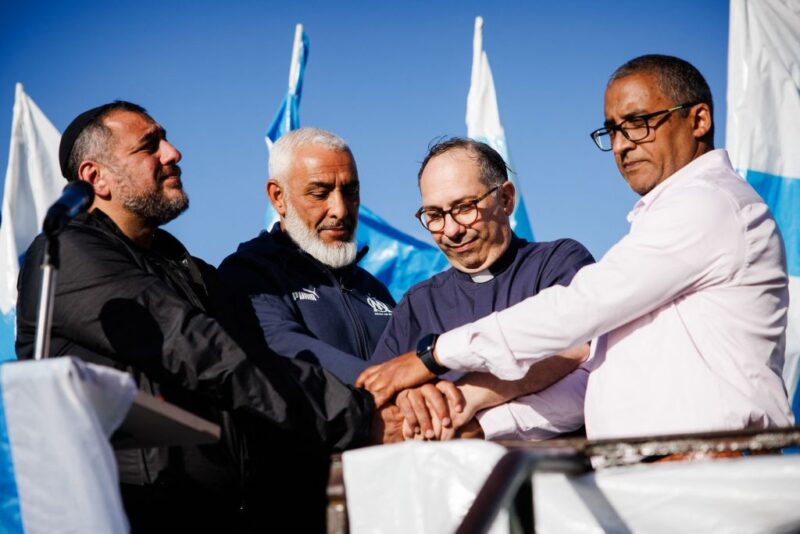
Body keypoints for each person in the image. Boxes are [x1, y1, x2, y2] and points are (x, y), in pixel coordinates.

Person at [358, 54, 795, 441]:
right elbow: (593, 380)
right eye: (612, 130)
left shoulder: (709, 204)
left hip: (712, 468)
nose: (623, 144)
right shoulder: (419, 301)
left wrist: (434, 357)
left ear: (698, 120)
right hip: (649, 475)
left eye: (639, 123)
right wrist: (478, 424)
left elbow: (576, 317)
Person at [15, 102, 401, 532]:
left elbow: (266, 360)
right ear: (94, 178)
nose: (173, 152)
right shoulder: (65, 255)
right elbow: (205, 351)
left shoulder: (192, 271)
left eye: (166, 138)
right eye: (149, 146)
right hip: (127, 516)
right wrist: (364, 414)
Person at [370, 138, 595, 440]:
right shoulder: (418, 304)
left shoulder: (557, 262)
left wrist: (461, 399)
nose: (451, 230)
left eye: (464, 208)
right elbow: (379, 400)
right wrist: (407, 402)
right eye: (434, 216)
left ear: (505, 199)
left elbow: (576, 353)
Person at [219, 128, 395, 385]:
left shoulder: (375, 289)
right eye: (319, 194)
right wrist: (394, 388)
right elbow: (284, 347)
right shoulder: (248, 275)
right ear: (278, 197)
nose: (340, 210)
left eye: (349, 191)